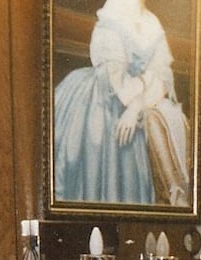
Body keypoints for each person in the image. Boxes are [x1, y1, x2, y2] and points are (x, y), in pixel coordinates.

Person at [53, 0, 191, 206]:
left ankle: (176, 195)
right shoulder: (112, 17)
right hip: (106, 100)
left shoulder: (151, 21)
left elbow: (162, 79)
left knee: (167, 119)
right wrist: (144, 86)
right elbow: (120, 89)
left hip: (140, 99)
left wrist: (138, 105)